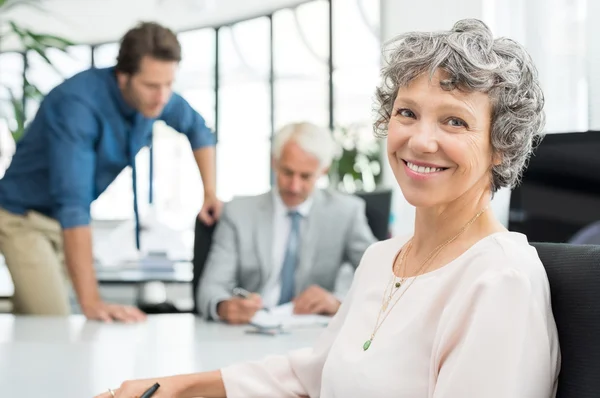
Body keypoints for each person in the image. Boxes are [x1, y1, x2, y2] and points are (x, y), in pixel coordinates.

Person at [95, 19, 561, 398]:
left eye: (454, 121)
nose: (420, 140)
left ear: (502, 145)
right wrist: (172, 388)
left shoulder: (501, 280)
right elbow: (309, 377)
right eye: (407, 113)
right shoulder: (383, 259)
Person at [0, 22, 222, 322]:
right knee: (54, 320)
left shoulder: (155, 97)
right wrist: (93, 303)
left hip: (59, 221)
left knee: (42, 316)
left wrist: (209, 192)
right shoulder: (77, 106)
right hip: (20, 218)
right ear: (123, 76)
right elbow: (74, 205)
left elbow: (198, 130)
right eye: (152, 86)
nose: (163, 97)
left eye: (169, 84)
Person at [197, 122, 377, 324]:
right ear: (274, 163)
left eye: (306, 176)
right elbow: (209, 289)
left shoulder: (346, 213)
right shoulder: (238, 213)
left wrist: (338, 302)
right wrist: (224, 307)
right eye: (287, 173)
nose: (294, 186)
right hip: (249, 331)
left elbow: (381, 276)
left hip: (312, 334)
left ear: (323, 171)